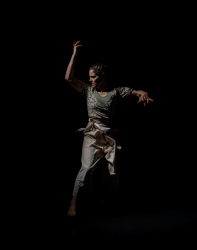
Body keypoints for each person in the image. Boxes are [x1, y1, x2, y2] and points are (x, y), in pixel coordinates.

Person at [65, 41, 154, 217]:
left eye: (93, 77)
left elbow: (136, 91)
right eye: (89, 77)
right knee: (86, 167)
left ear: (102, 76)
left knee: (112, 170)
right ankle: (73, 203)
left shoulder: (115, 92)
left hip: (110, 134)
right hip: (92, 132)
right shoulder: (88, 91)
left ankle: (106, 200)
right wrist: (74, 55)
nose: (90, 79)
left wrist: (143, 92)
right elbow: (68, 78)